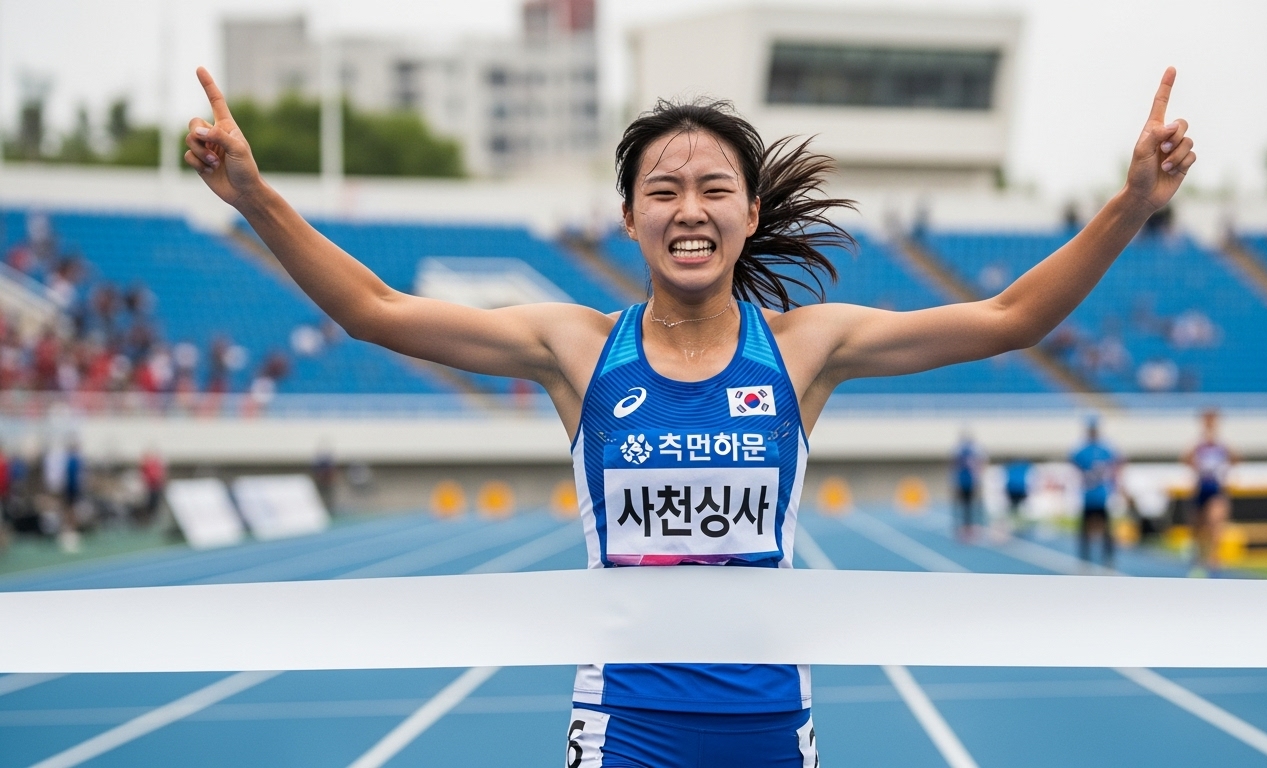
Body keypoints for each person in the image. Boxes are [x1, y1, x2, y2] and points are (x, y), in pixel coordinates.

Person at [184, 63, 1194, 767]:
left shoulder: (805, 349)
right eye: (662, 191)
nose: (689, 209)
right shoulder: (577, 349)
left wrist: (1131, 204)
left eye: (714, 188)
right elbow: (374, 311)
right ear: (629, 218)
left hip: (770, 726)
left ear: (750, 214)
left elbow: (1012, 319)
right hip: (625, 728)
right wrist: (255, 197)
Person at [1182, 408, 1237, 576]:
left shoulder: (1221, 444)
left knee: (1216, 521)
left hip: (1216, 488)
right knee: (1198, 526)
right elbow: (1185, 459)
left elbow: (1236, 459)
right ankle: (1199, 555)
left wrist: (1224, 470)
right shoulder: (1198, 443)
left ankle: (1214, 556)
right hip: (1201, 487)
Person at [1071, 418, 1121, 566]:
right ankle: (1084, 557)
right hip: (1088, 494)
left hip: (1101, 494)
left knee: (1106, 528)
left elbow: (1116, 465)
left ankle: (1108, 556)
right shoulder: (1082, 450)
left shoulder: (1105, 449)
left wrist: (1114, 485)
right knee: (1085, 528)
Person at [952, 432, 985, 540]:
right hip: (968, 481)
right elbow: (978, 465)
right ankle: (969, 527)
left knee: (965, 505)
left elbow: (955, 466)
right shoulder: (972, 450)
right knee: (970, 505)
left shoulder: (959, 450)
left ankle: (966, 527)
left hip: (964, 481)